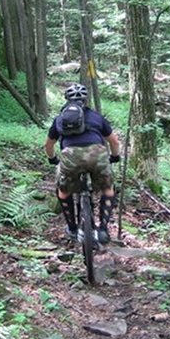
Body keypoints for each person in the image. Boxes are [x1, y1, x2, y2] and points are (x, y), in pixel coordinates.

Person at [45, 83, 121, 244]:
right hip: (97, 155)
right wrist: (115, 157)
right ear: (86, 100)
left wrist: (53, 159)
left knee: (64, 192)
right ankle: (103, 229)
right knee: (108, 189)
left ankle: (72, 228)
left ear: (67, 100)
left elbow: (49, 145)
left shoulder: (59, 119)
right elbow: (114, 141)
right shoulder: (96, 117)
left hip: (70, 157)